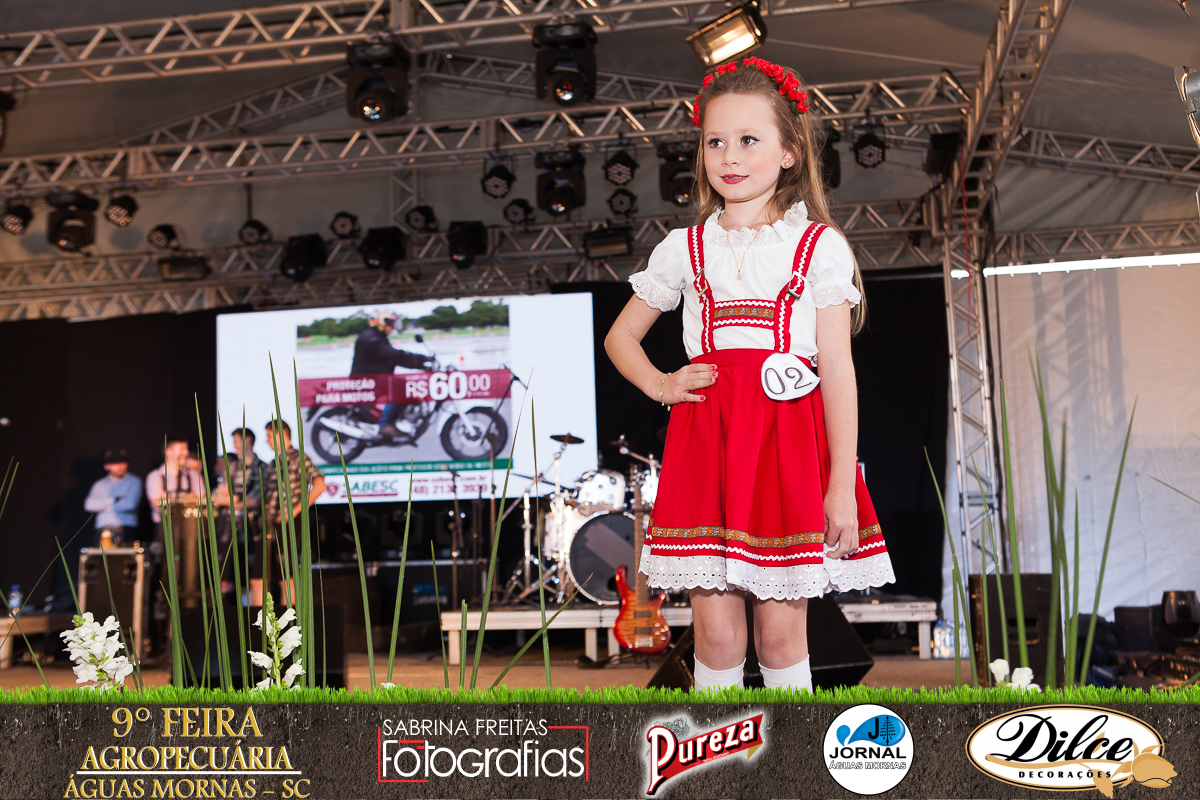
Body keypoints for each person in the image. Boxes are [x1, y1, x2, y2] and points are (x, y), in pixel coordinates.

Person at [605, 57, 895, 692]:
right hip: (707, 440)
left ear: (790, 151)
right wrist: (660, 383)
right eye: (715, 141)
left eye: (748, 140)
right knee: (714, 635)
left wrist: (840, 485)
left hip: (786, 443)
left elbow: (838, 371)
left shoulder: (818, 247)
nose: (729, 156)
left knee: (783, 635)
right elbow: (621, 336)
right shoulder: (683, 248)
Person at [350, 310, 435, 437]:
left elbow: (395, 355)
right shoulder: (371, 338)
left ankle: (398, 419)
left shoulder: (378, 337)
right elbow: (393, 356)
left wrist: (422, 360)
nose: (393, 325)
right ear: (380, 322)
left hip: (375, 377)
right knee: (402, 387)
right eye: (390, 322)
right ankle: (385, 425)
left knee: (403, 386)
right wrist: (420, 362)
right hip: (367, 380)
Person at [212, 427, 263, 592]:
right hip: (227, 530)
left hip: (251, 531)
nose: (234, 444)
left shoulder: (261, 467)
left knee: (251, 580)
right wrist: (235, 500)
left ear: (247, 440)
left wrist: (232, 499)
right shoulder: (233, 467)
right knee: (224, 579)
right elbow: (219, 494)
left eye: (236, 440)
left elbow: (255, 501)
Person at [83, 448, 142, 546]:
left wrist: (102, 507)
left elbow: (130, 505)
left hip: (126, 529)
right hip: (103, 529)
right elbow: (88, 505)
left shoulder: (134, 481)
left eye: (123, 463)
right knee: (102, 559)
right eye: (116, 464)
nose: (120, 467)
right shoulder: (100, 484)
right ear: (106, 466)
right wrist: (114, 500)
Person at [145, 437, 204, 533]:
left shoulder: (194, 475)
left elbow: (201, 501)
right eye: (181, 450)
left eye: (186, 449)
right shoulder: (155, 476)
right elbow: (157, 504)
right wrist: (188, 499)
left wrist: (170, 499)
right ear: (168, 452)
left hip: (191, 528)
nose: (186, 453)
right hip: (165, 529)